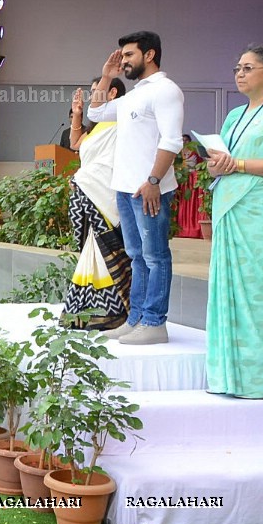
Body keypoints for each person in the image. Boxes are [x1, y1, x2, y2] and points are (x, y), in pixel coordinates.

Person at [87, 31, 184, 345]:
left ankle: (155, 323)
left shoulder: (166, 91)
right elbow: (96, 113)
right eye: (122, 56)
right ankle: (136, 319)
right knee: (137, 257)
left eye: (129, 55)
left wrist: (154, 181)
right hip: (125, 188)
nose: (123, 61)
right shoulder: (133, 95)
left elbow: (171, 141)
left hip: (149, 189)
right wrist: (106, 76)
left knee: (155, 257)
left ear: (150, 54)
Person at [205, 45, 263, 398]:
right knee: (230, 289)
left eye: (248, 67)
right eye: (237, 67)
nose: (239, 73)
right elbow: (220, 158)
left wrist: (240, 165)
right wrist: (217, 165)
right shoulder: (233, 115)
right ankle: (230, 376)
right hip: (230, 205)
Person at [63, 78, 131, 331]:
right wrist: (77, 117)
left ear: (112, 93)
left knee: (107, 252)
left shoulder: (123, 120)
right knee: (91, 251)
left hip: (106, 196)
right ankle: (87, 310)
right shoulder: (99, 125)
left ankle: (114, 312)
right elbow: (75, 144)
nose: (92, 96)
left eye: (96, 92)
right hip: (89, 192)